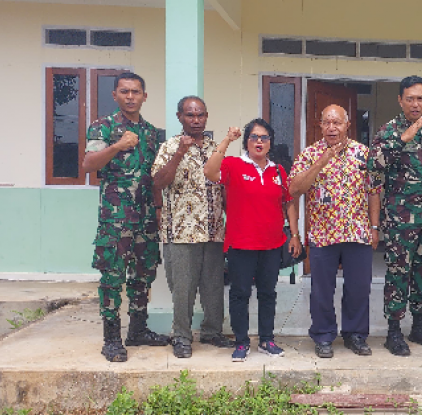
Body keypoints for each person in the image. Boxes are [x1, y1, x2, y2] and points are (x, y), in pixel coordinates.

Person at [82, 72, 170, 362]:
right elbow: (88, 164)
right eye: (125, 91)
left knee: (144, 275)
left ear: (145, 96)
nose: (130, 97)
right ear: (115, 95)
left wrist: (158, 211)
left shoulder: (153, 133)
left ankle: (138, 329)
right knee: (112, 277)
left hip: (145, 217)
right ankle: (111, 338)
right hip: (115, 219)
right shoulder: (103, 127)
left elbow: (156, 178)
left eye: (136, 92)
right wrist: (117, 146)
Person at [203, 118, 301, 362]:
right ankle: (242, 341)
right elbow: (209, 171)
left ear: (270, 143)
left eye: (264, 137)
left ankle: (267, 339)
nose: (259, 141)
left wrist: (295, 234)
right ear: (247, 141)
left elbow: (288, 202)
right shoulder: (234, 165)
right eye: (254, 137)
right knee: (240, 293)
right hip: (241, 244)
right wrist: (227, 140)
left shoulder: (278, 170)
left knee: (268, 293)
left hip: (271, 244)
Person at [288, 105, 381, 358]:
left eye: (337, 123)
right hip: (323, 234)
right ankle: (323, 335)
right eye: (327, 122)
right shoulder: (309, 154)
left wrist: (374, 227)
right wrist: (321, 162)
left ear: (347, 125)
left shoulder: (364, 154)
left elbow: (374, 192)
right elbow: (294, 190)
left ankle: (356, 335)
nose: (332, 127)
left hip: (358, 233)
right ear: (320, 125)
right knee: (321, 290)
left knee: (359, 288)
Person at [368, 75, 422, 356]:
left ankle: (419, 326)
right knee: (399, 273)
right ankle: (393, 332)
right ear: (400, 100)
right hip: (401, 219)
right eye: (410, 98)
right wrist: (403, 139)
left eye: (420, 98)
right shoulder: (388, 131)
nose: (415, 103)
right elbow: (374, 168)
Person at [152, 96, 235, 358]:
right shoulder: (169, 147)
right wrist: (180, 153)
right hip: (181, 232)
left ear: (206, 116)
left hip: (213, 230)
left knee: (212, 286)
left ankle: (212, 331)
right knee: (183, 289)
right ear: (180, 117)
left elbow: (225, 185)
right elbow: (159, 182)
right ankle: (182, 337)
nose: (195, 120)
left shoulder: (215, 148)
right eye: (190, 115)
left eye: (200, 115)